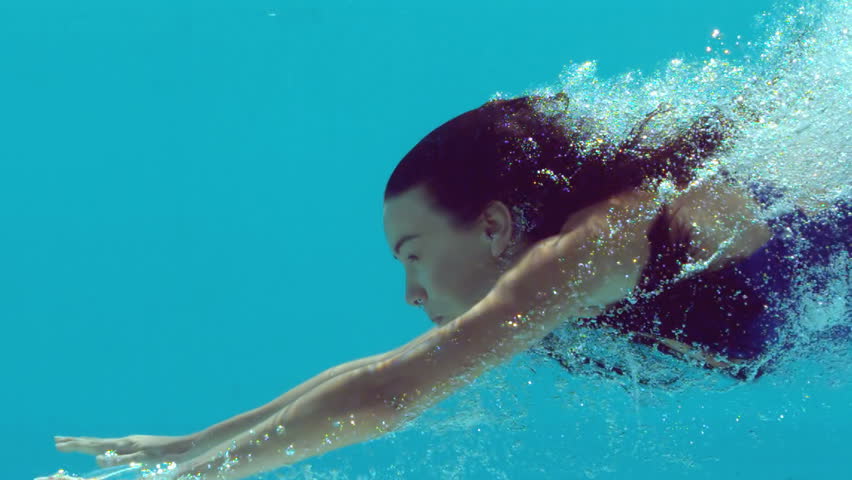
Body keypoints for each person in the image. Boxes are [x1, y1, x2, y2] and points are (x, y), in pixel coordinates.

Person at [41, 96, 849, 480]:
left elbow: (387, 394)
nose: (409, 292)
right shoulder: (565, 286)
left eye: (413, 254)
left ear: (494, 228)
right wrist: (189, 444)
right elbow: (376, 372)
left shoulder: (590, 249)